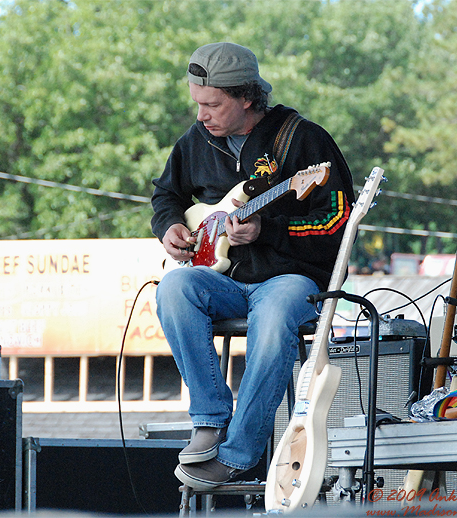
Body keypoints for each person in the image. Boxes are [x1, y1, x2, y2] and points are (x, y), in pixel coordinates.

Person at [151, 42, 355, 490]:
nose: (202, 115)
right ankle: (208, 419)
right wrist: (167, 226)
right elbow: (166, 195)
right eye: (197, 104)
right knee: (173, 288)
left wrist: (268, 230)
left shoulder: (304, 140)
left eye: (212, 104)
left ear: (246, 97)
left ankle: (239, 453)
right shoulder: (196, 140)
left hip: (290, 279)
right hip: (226, 280)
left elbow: (337, 218)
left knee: (276, 312)